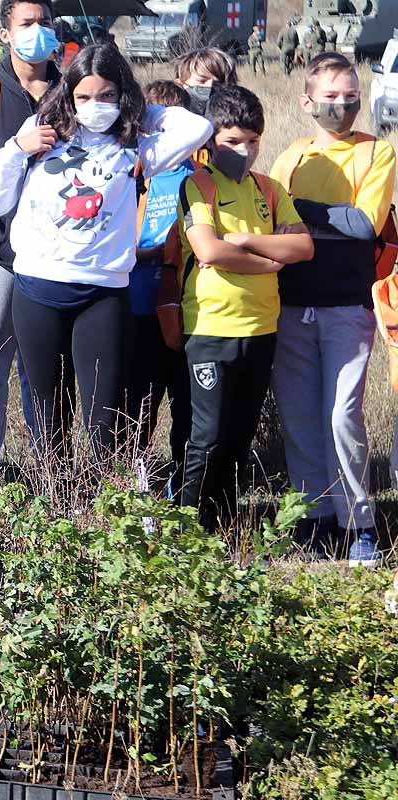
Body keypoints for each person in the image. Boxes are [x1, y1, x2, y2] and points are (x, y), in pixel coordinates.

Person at [0, 43, 212, 461]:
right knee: (48, 414)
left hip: (102, 294)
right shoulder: (43, 132)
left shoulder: (135, 146)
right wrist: (18, 148)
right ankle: (58, 507)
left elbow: (198, 129)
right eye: (84, 97)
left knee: (102, 418)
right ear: (69, 96)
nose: (95, 106)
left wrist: (140, 109)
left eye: (107, 95)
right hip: (38, 289)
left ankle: (102, 506)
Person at [269, 53, 395, 566]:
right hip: (292, 303)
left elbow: (366, 224)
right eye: (331, 96)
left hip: (348, 306)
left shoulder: (376, 152)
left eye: (350, 95)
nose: (342, 105)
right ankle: (314, 518)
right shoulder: (293, 155)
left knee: (342, 417)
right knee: (299, 419)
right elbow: (275, 222)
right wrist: (327, 219)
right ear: (306, 101)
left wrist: (305, 213)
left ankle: (358, 522)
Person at [175, 85, 314, 531]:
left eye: (253, 141)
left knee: (239, 436)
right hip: (211, 328)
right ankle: (188, 527)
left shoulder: (269, 189)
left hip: (261, 329)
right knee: (208, 436)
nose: (245, 151)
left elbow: (303, 245)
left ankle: (222, 523)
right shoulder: (198, 185)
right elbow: (210, 251)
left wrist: (249, 240)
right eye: (233, 141)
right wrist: (269, 261)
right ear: (212, 137)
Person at [0, 0, 61, 470]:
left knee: (48, 377)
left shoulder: (74, 90)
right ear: (5, 33)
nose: (37, 32)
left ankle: (53, 480)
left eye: (44, 23)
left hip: (61, 257)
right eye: (26, 24)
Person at [125, 80, 195, 492]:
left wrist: (157, 250)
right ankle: (139, 488)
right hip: (138, 309)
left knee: (185, 408)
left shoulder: (199, 179)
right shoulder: (134, 177)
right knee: (139, 406)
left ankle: (184, 489)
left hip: (185, 311)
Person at [173, 46, 238, 118]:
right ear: (180, 84)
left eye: (219, 83)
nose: (209, 87)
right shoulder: (165, 122)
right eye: (202, 81)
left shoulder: (240, 123)